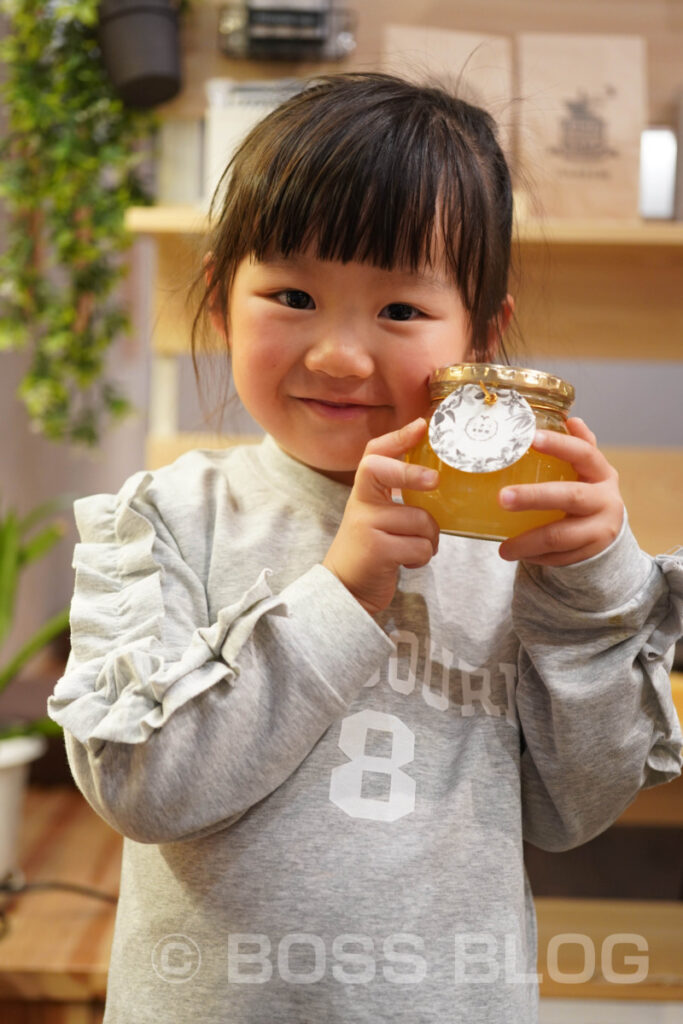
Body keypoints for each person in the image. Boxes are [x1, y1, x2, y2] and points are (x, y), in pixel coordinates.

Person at [48, 73, 682, 1024]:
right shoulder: (165, 518)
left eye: (399, 312)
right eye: (293, 294)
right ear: (222, 303)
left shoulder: (519, 548)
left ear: (483, 340)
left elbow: (572, 810)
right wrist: (341, 590)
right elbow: (141, 786)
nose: (340, 355)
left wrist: (593, 597)